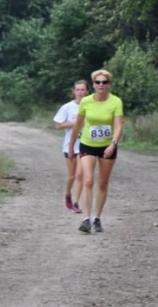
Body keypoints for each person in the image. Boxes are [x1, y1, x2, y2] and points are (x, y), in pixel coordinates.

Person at [68, 69, 123, 233]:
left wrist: (113, 144)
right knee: (88, 180)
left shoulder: (116, 102)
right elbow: (78, 125)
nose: (101, 85)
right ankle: (86, 219)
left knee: (103, 183)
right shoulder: (86, 101)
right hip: (87, 144)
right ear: (93, 84)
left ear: (109, 84)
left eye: (104, 82)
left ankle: (97, 218)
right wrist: (71, 146)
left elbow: (119, 126)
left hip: (107, 146)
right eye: (98, 82)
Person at [53, 80, 89, 213]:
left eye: (83, 90)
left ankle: (76, 203)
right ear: (73, 92)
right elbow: (58, 125)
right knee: (72, 176)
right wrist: (74, 123)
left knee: (80, 174)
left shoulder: (91, 106)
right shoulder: (67, 107)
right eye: (78, 90)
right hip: (70, 145)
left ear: (87, 91)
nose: (80, 92)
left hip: (86, 145)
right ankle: (68, 194)